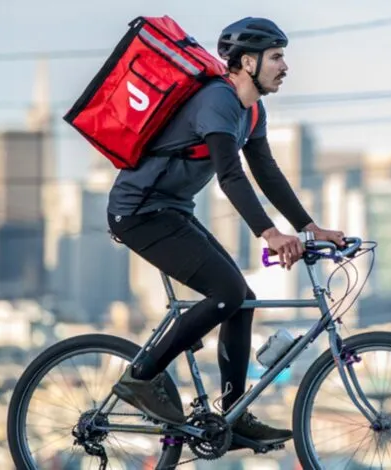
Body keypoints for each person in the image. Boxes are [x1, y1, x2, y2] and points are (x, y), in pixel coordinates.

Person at [106, 17, 345, 445]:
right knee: (227, 293)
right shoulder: (217, 100)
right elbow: (230, 176)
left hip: (172, 210)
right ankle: (140, 379)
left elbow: (266, 173)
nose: (285, 66)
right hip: (139, 213)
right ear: (247, 62)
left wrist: (310, 228)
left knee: (242, 299)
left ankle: (232, 416)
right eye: (276, 57)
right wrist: (270, 235)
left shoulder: (252, 110)